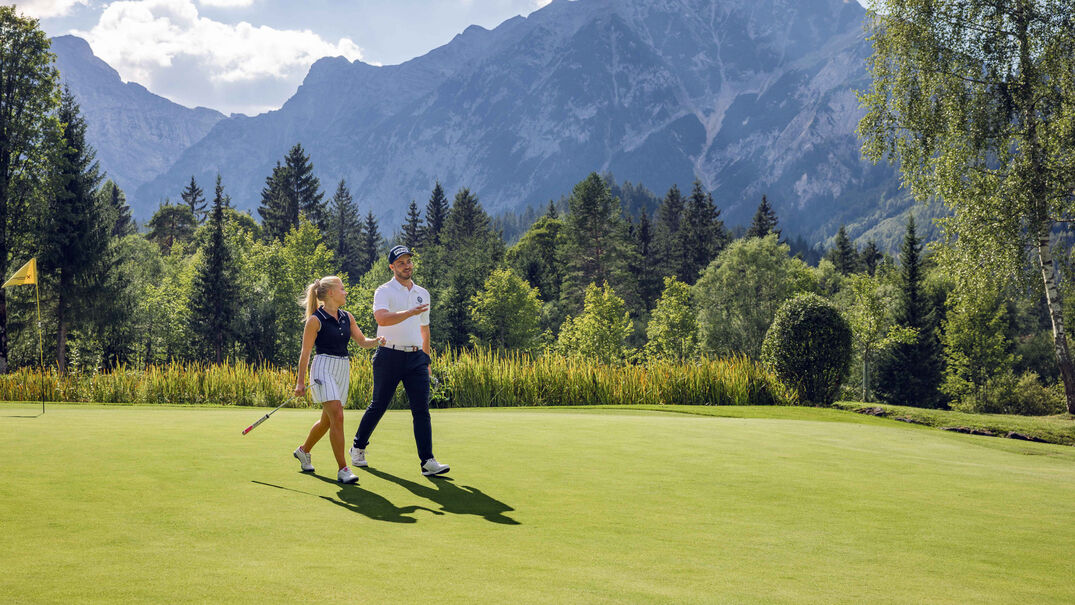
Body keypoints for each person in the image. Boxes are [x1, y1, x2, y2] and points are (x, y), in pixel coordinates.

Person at [350, 245, 450, 476]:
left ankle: (427, 461)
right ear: (392, 267)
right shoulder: (384, 291)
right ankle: (358, 447)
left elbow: (425, 329)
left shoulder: (422, 293)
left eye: (409, 262)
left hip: (416, 358)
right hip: (389, 355)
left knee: (421, 410)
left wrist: (426, 359)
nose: (407, 266)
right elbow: (382, 319)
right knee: (379, 405)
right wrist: (410, 312)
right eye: (401, 263)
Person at [293, 275, 384, 484]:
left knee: (328, 421)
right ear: (331, 293)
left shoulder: (347, 317)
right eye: (342, 288)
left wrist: (377, 341)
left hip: (342, 368)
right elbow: (305, 353)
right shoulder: (315, 320)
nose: (345, 292)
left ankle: (303, 451)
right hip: (323, 368)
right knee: (338, 416)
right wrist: (300, 383)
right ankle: (343, 469)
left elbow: (362, 342)